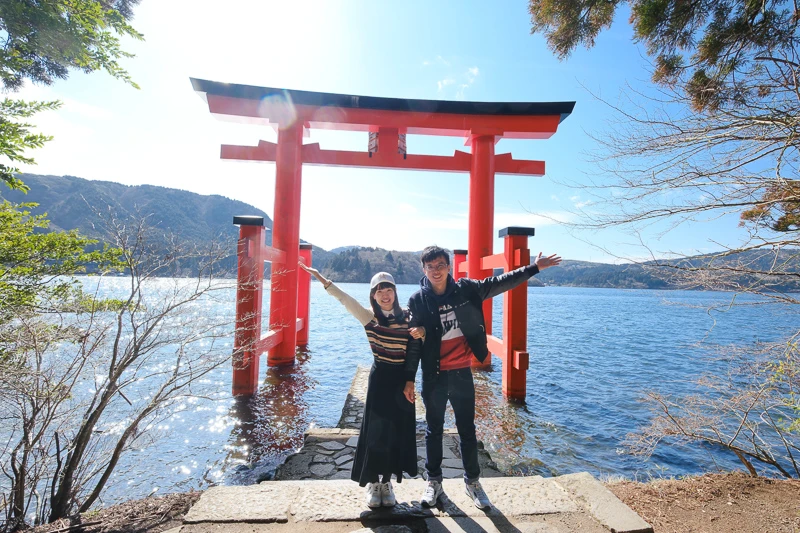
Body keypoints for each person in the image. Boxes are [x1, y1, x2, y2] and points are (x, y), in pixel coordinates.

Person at [403, 246, 561, 510]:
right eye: (430, 266)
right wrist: (409, 374)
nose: (436, 270)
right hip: (433, 376)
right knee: (434, 431)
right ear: (424, 270)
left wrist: (534, 268)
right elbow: (413, 344)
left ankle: (473, 482)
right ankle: (433, 481)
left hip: (462, 372)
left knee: (467, 431)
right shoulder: (418, 300)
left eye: (441, 265)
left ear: (449, 266)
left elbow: (500, 282)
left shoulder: (466, 290)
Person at [298, 262, 424, 508]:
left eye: (388, 289)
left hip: (401, 380)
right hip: (379, 380)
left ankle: (387, 483)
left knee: (395, 431)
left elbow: (417, 345)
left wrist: (422, 336)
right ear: (373, 295)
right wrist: (322, 278)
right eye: (379, 291)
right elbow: (345, 300)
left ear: (395, 292)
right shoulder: (369, 317)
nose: (385, 295)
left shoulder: (409, 317)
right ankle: (373, 483)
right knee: (375, 431)